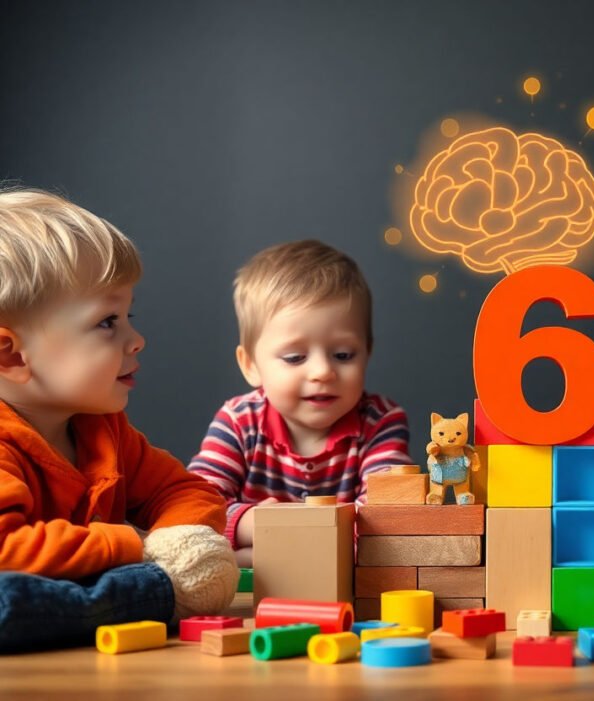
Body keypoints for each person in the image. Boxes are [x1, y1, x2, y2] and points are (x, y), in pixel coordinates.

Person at [0, 188, 237, 650]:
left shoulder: (104, 432)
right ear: (10, 354)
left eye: (129, 315)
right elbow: (7, 547)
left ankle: (134, 597)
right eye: (108, 322)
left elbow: (188, 492)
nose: (137, 339)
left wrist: (177, 543)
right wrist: (133, 544)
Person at [188, 240, 411, 566]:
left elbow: (386, 519)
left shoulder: (381, 421)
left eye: (343, 355)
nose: (322, 371)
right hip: (251, 595)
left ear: (367, 352)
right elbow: (195, 509)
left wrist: (275, 548)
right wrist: (257, 525)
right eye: (295, 357)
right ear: (250, 364)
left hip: (348, 596)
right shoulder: (238, 421)